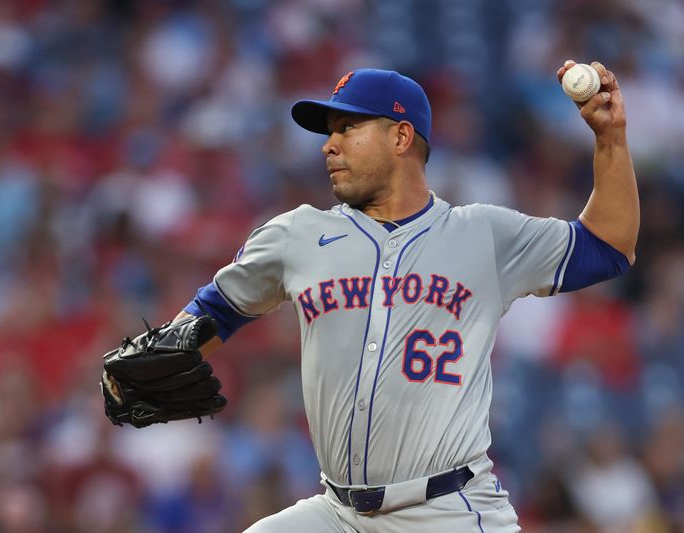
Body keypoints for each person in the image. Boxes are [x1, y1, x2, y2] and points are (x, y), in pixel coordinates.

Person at [177, 62, 639, 532]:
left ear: (401, 137)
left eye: (348, 127)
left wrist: (611, 139)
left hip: (446, 510)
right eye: (329, 131)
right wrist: (146, 368)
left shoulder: (482, 235)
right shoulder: (298, 234)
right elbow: (214, 312)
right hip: (338, 514)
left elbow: (607, 246)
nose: (329, 144)